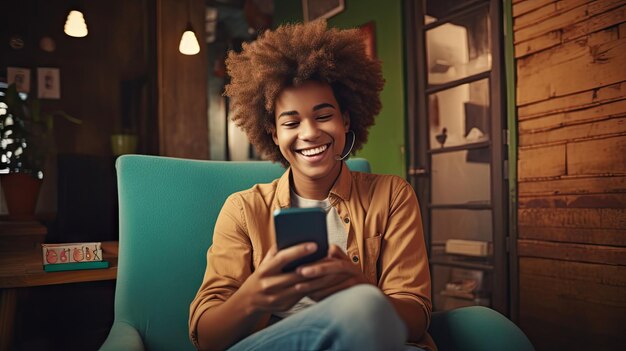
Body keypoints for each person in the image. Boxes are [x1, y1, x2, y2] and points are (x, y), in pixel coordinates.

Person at [189, 20, 435, 351]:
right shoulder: (243, 210)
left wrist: (359, 288)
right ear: (274, 134)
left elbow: (416, 317)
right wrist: (255, 295)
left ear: (345, 120)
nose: (309, 133)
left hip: (371, 340)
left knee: (366, 309)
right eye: (291, 122)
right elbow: (207, 339)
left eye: (323, 116)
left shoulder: (392, 196)